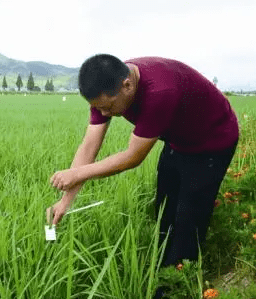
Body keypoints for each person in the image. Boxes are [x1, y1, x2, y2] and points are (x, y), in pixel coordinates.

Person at [47, 54, 239, 298]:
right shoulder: (107, 89)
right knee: (164, 212)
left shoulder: (159, 91)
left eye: (108, 106)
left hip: (212, 142)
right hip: (178, 140)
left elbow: (132, 158)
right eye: (98, 108)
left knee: (187, 221)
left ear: (127, 85)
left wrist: (76, 175)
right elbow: (89, 146)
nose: (104, 114)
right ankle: (160, 271)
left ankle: (173, 288)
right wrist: (65, 201)